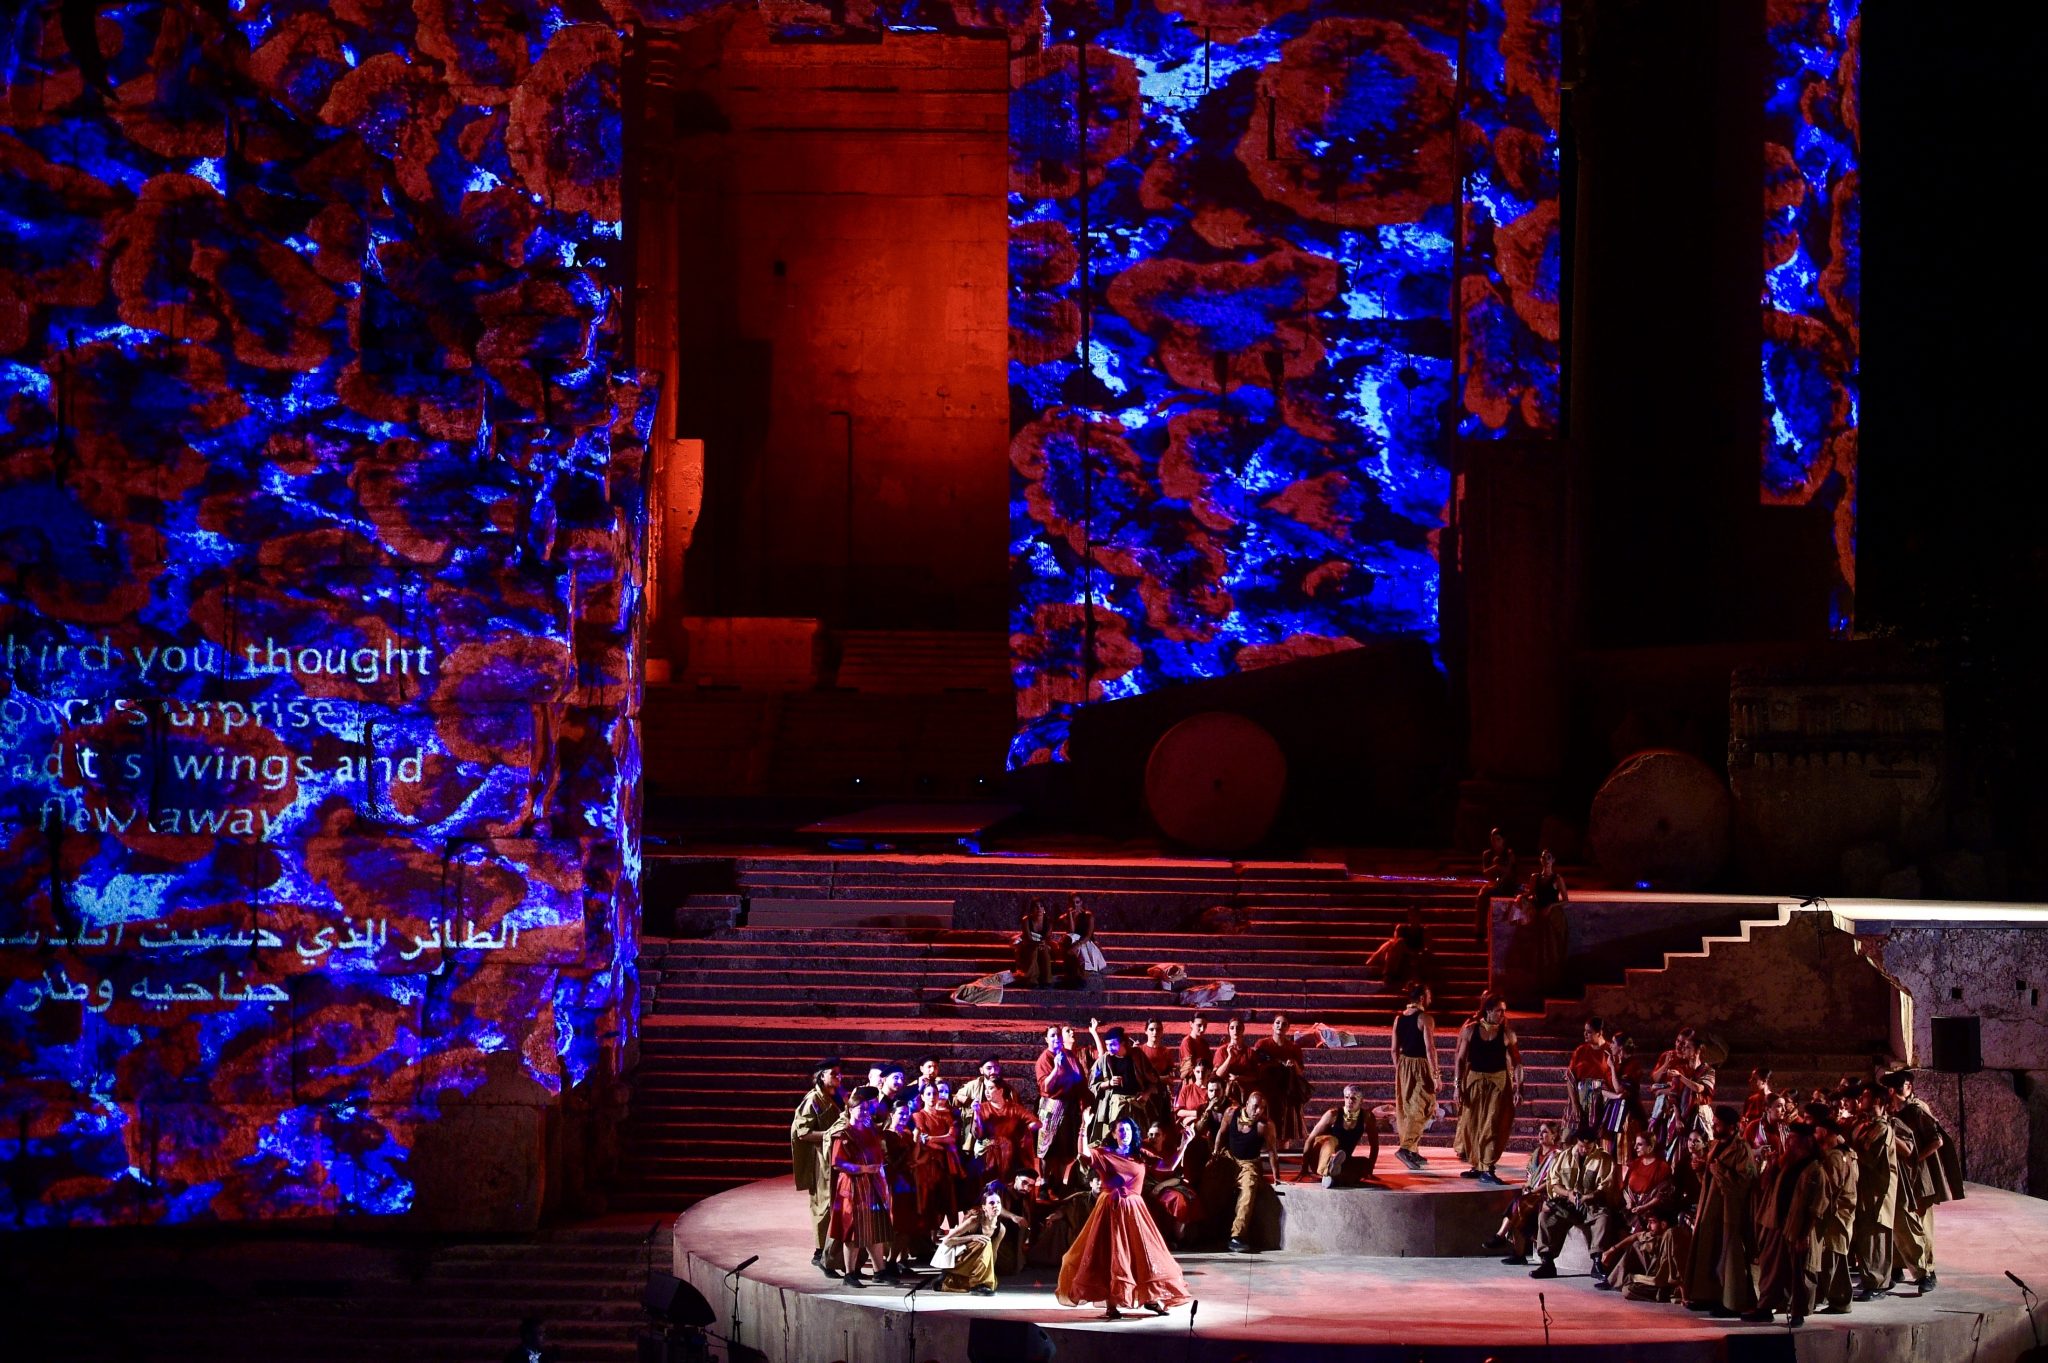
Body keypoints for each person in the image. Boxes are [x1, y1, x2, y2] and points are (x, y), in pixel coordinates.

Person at [1055, 1116, 1193, 1320]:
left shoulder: (1140, 1154)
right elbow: (1084, 1153)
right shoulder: (1104, 1154)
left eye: (1128, 1130)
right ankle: (1111, 1304)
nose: (1124, 1133)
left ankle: (1151, 1298)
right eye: (1120, 1130)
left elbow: (1168, 1166)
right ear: (1113, 1134)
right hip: (1110, 1209)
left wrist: (1185, 1144)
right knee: (1111, 1255)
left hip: (1135, 1210)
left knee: (1144, 1252)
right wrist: (1083, 1125)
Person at [1885, 1067, 1961, 1293]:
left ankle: (1928, 1270)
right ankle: (1897, 1266)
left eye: (1899, 1086)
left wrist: (1916, 1159)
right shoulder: (1892, 1111)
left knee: (1921, 1223)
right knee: (1899, 1221)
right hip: (1901, 1175)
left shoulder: (1917, 1110)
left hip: (1920, 1176)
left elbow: (1937, 1140)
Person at [1744, 1118, 1826, 1327]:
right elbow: (1765, 1186)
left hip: (1798, 1228)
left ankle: (1798, 1311)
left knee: (1798, 1272)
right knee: (1770, 1267)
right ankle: (1765, 1307)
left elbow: (1816, 1207)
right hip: (1777, 1224)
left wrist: (1804, 1234)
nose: (1788, 1143)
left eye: (1793, 1139)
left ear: (1805, 1142)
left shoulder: (1815, 1170)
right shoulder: (1786, 1164)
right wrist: (1771, 1166)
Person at [1683, 1105, 1758, 1316]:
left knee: (1729, 1257)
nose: (1714, 1126)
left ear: (1731, 1126)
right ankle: (1708, 1296)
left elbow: (1745, 1182)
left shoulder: (1741, 1149)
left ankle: (1732, 1302)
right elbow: (1710, 1179)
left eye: (1718, 1124)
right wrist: (1701, 1171)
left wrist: (1718, 1170)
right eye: (1714, 1123)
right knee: (1709, 1253)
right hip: (1710, 1209)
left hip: (1729, 1212)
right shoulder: (1715, 1145)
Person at [1528, 1126, 1622, 1279]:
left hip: (1591, 1204)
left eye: (1588, 1147)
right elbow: (1554, 1183)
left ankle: (1597, 1262)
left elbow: (1606, 1186)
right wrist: (1568, 1194)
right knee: (1546, 1217)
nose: (1584, 1150)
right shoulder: (1563, 1157)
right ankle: (1547, 1262)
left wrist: (1588, 1196)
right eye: (1581, 1146)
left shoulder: (1604, 1159)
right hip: (1567, 1203)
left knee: (1603, 1218)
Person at [827, 1086, 893, 1287]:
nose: (865, 1112)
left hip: (873, 1186)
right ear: (850, 1110)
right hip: (853, 1188)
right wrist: (864, 1169)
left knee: (875, 1227)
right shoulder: (844, 1134)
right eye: (860, 1109)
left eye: (866, 1109)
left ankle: (879, 1270)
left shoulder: (870, 1131)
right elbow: (838, 1163)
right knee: (853, 1231)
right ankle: (849, 1273)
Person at [1452, 993, 1520, 1184]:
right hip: (1474, 1082)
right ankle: (1477, 1164)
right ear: (1488, 1011)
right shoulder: (1470, 1030)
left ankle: (1488, 1166)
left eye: (1504, 1011)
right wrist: (1457, 1086)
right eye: (1499, 1011)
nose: (1503, 1015)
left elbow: (1517, 1063)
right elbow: (1460, 1059)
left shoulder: (1507, 1034)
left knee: (1492, 1124)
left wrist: (1519, 1087)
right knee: (1471, 1124)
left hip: (1498, 1084)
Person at [790, 1058, 846, 1274]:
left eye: (839, 1073)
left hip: (837, 1158)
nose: (839, 1077)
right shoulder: (813, 1099)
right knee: (824, 1204)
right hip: (822, 1161)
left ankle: (833, 1251)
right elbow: (802, 1132)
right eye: (834, 1073)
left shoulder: (838, 1096)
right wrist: (830, 1134)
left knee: (836, 1204)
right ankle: (821, 1251)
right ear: (822, 1076)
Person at [1849, 1080, 1903, 1299]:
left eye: (1865, 1096)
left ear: (1878, 1101)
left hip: (1877, 1192)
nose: (1861, 1100)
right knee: (1866, 1236)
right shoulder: (1867, 1124)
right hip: (1866, 1189)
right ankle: (1872, 1279)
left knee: (1875, 1237)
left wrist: (1851, 1147)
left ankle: (1878, 1283)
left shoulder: (1881, 1128)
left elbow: (1869, 1156)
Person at [1486, 1120, 1563, 1264]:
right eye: (1540, 1131)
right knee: (1519, 1206)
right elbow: (1529, 1174)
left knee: (1518, 1205)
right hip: (1531, 1193)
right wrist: (1527, 1186)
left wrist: (1535, 1190)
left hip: (1546, 1194)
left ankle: (1503, 1238)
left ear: (1554, 1135)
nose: (1540, 1134)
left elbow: (1553, 1180)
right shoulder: (1536, 1153)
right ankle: (1515, 1250)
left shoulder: (1558, 1155)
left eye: (1545, 1132)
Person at [1218, 1090, 1282, 1253]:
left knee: (1248, 1191)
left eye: (1262, 1108)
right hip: (1229, 1158)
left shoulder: (1265, 1125)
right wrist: (1215, 1155)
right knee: (1210, 1180)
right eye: (1255, 1106)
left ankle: (1237, 1236)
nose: (1258, 1111)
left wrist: (1277, 1177)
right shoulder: (1231, 1113)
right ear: (1246, 1104)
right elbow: (1221, 1134)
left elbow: (1272, 1151)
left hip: (1249, 1164)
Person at [934, 1182, 1025, 1295]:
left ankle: (976, 1282)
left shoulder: (1000, 1229)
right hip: (958, 1258)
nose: (995, 1206)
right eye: (991, 1203)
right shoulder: (974, 1221)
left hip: (975, 1262)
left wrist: (990, 1273)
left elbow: (993, 1253)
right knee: (984, 1242)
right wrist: (972, 1237)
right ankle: (977, 1284)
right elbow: (947, 1241)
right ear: (984, 1207)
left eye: (998, 1203)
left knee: (991, 1277)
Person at [1812, 1103, 1859, 1314]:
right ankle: (1829, 1296)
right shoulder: (1845, 1153)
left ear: (1826, 1132)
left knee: (1835, 1257)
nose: (1815, 1135)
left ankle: (1841, 1301)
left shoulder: (1834, 1158)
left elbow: (1829, 1189)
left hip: (1836, 1215)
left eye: (1817, 1131)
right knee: (1831, 1257)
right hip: (1841, 1213)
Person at [1390, 983, 1439, 1170]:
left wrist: (1400, 1070)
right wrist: (1436, 1075)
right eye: (1429, 995)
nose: (1431, 999)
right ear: (1422, 998)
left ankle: (1412, 1149)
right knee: (1422, 1106)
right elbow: (1430, 1048)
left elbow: (1394, 1049)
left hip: (1403, 1064)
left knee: (1408, 1108)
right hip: (1420, 1065)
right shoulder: (1425, 1018)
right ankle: (1405, 1148)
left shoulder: (1398, 1019)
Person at [1649, 1027, 1715, 1162]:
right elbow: (1674, 1096)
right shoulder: (1680, 1068)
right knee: (1678, 1149)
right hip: (1681, 1112)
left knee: (1701, 1149)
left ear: (1697, 1051)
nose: (1682, 1048)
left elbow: (1699, 1088)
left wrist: (1680, 1077)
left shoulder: (1708, 1070)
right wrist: (1678, 1118)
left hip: (1700, 1114)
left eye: (1687, 1047)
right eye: (1680, 1044)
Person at [1034, 1024, 1088, 1187]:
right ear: (1046, 1039)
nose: (1056, 1038)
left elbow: (1080, 1080)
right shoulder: (1045, 1058)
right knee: (1047, 1148)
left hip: (1069, 1107)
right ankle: (1044, 1182)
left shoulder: (1069, 1055)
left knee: (1065, 1148)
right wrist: (1056, 1069)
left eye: (1058, 1035)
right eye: (1052, 1035)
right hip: (1052, 1107)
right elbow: (1046, 1087)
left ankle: (1058, 1182)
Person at [911, 1081, 965, 1240]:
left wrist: (932, 1138)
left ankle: (946, 1234)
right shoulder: (918, 1115)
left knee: (946, 1197)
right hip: (927, 1163)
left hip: (944, 1162)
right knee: (929, 1199)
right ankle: (928, 1236)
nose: (932, 1097)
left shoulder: (945, 1115)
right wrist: (940, 1142)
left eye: (934, 1093)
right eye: (928, 1094)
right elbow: (922, 1140)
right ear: (922, 1097)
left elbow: (952, 1138)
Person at [1297, 1084, 1378, 1186]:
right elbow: (1310, 1139)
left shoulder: (1367, 1118)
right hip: (1321, 1158)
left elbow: (1374, 1145)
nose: (1349, 1101)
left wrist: (1370, 1169)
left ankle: (1334, 1177)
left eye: (1353, 1098)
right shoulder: (1332, 1114)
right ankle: (1328, 1170)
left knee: (1365, 1164)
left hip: (1342, 1160)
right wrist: (1304, 1169)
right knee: (1331, 1140)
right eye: (1347, 1097)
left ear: (1361, 1101)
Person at [1253, 1013, 1311, 1145]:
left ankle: (1283, 1149)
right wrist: (1274, 1064)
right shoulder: (1262, 1044)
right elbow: (1257, 1065)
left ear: (1288, 1028)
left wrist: (1293, 1064)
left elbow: (1300, 1071)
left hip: (1286, 1089)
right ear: (1272, 1026)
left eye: (1284, 1024)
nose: (1280, 1026)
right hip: (1267, 1088)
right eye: (1278, 1023)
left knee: (1285, 1125)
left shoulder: (1294, 1047)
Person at [1086, 1020, 1142, 1141]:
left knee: (1136, 1139)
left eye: (1113, 1044)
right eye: (1107, 1045)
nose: (1109, 1048)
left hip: (1136, 1104)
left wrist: (1146, 1094)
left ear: (1123, 1043)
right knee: (1115, 1139)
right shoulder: (1104, 1060)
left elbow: (1151, 1077)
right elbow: (1091, 1083)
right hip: (1115, 1106)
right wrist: (1108, 1083)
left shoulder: (1136, 1055)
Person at [1568, 1017, 1623, 1140]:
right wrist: (1574, 1104)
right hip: (1580, 1097)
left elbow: (1614, 1080)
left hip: (1600, 1099)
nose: (1585, 1034)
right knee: (1568, 1135)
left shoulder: (1610, 1050)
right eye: (1584, 1031)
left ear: (1599, 1033)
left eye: (1589, 1032)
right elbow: (1570, 1079)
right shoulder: (1580, 1051)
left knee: (1595, 1135)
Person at [1363, 906, 1432, 989]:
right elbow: (1395, 944)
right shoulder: (1402, 929)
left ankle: (1381, 966)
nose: (1413, 918)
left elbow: (1427, 948)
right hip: (1400, 956)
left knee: (1395, 943)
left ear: (1419, 917)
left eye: (1415, 915)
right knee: (1395, 942)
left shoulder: (1424, 931)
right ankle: (1387, 973)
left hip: (1415, 956)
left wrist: (1418, 953)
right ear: (1408, 917)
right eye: (1411, 915)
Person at [1213, 1014, 1264, 1106]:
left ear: (1243, 1030)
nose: (1235, 1031)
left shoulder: (1249, 1052)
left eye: (1238, 1028)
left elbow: (1255, 1076)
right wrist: (1229, 1057)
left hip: (1245, 1091)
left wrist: (1238, 1078)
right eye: (1232, 1028)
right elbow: (1218, 1075)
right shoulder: (1222, 1050)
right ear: (1228, 1031)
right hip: (1226, 1091)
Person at [1475, 827, 1519, 931]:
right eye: (1493, 839)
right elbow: (1485, 872)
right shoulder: (1487, 854)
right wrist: (1495, 867)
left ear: (1503, 840)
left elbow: (1509, 872)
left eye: (1498, 839)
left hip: (1507, 885)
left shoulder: (1509, 853)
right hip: (1493, 885)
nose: (1495, 842)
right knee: (1482, 895)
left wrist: (1500, 869)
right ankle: (1480, 930)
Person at [1064, 891, 1107, 975]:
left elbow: (1088, 936)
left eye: (1077, 902)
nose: (1075, 905)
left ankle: (1084, 969)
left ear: (1081, 902)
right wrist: (1071, 916)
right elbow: (1071, 932)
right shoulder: (1065, 917)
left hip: (1085, 942)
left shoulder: (1088, 916)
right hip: (1073, 942)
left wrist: (1077, 945)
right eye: (1072, 902)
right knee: (1069, 940)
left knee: (1079, 948)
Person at [1015, 900, 1053, 987]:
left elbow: (1047, 937)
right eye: (1036, 907)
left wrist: (1042, 943)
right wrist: (1036, 944)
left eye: (1041, 906)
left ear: (1044, 909)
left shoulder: (1048, 921)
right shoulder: (1026, 920)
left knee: (1045, 951)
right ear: (1032, 909)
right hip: (1029, 943)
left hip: (1042, 943)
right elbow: (1027, 937)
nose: (1039, 909)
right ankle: (1032, 980)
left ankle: (1047, 979)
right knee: (1033, 950)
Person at [1178, 1012, 1214, 1080]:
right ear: (1191, 1024)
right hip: (1191, 1079)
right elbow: (1188, 1066)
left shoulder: (1204, 1043)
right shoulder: (1187, 1042)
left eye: (1205, 1026)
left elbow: (1210, 1062)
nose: (1202, 1029)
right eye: (1199, 1025)